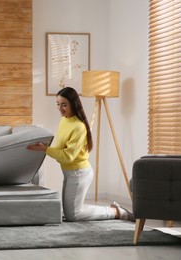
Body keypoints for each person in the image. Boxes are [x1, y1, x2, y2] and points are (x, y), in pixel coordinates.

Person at [27, 87, 135, 222]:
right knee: (68, 212)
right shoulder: (65, 120)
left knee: (73, 215)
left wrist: (45, 149)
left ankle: (116, 212)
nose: (60, 108)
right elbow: (61, 147)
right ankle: (111, 209)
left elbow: (68, 156)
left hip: (78, 173)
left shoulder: (79, 127)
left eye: (64, 105)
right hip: (69, 172)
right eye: (58, 104)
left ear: (74, 104)